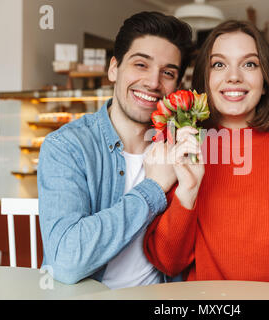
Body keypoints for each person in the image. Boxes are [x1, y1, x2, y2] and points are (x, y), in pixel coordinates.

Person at [143, 20, 269, 286]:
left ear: (265, 80)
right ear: (205, 79)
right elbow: (168, 262)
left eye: (249, 64)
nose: (234, 76)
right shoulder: (185, 145)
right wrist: (187, 190)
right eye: (219, 64)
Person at [37, 11, 195, 287]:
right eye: (141, 64)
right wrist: (153, 187)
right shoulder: (66, 147)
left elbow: (181, 258)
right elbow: (66, 261)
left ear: (176, 86)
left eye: (167, 72)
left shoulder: (182, 150)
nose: (153, 82)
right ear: (114, 68)